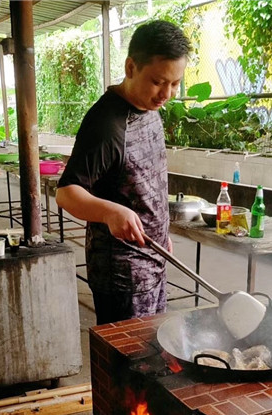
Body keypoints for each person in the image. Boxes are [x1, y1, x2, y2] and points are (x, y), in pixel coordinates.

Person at [56, 20, 190, 325]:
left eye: (175, 83)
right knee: (128, 361)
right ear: (131, 67)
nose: (166, 93)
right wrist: (109, 211)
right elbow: (66, 193)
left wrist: (160, 230)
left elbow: (142, 180)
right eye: (158, 81)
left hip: (153, 257)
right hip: (122, 273)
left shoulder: (150, 107)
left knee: (153, 350)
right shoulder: (106, 124)